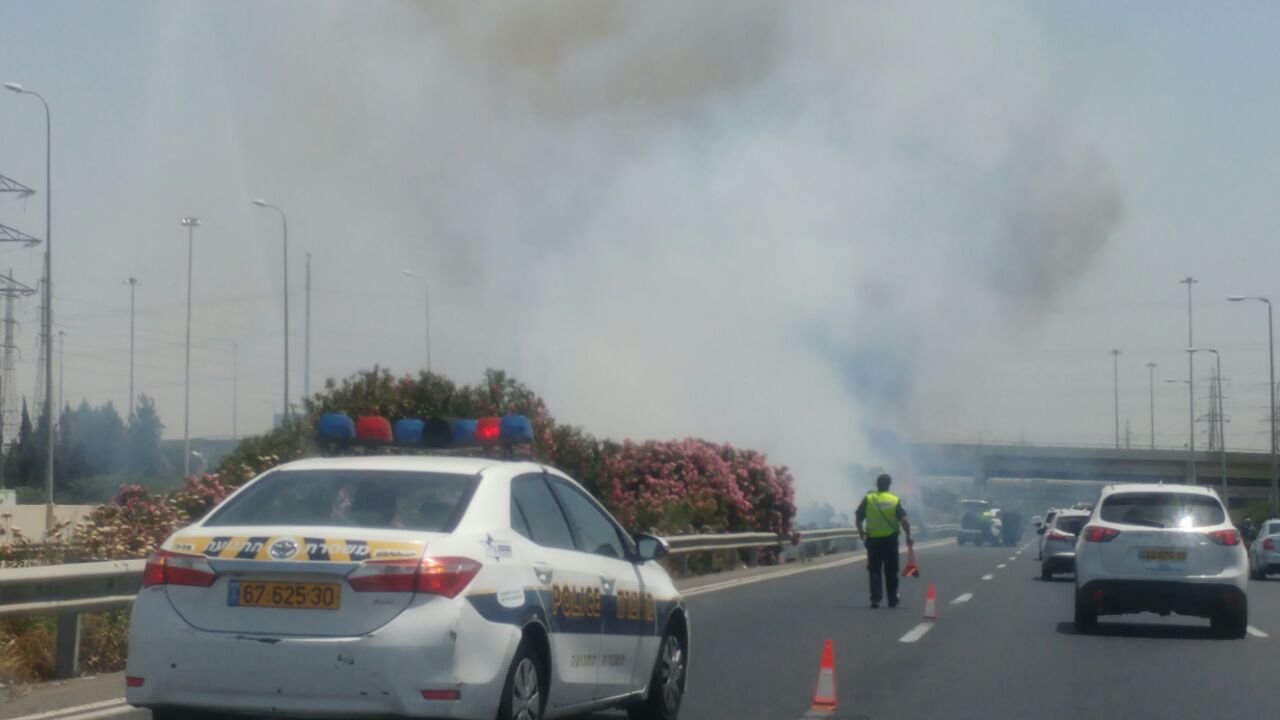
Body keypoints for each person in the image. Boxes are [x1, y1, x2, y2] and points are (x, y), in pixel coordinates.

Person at [856, 473, 913, 608]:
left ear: (877, 484)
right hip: (890, 541)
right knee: (891, 571)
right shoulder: (893, 500)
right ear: (889, 485)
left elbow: (858, 517)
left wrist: (861, 532)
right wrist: (908, 535)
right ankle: (892, 599)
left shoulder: (868, 499)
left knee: (874, 570)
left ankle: (875, 599)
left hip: (873, 540)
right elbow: (904, 520)